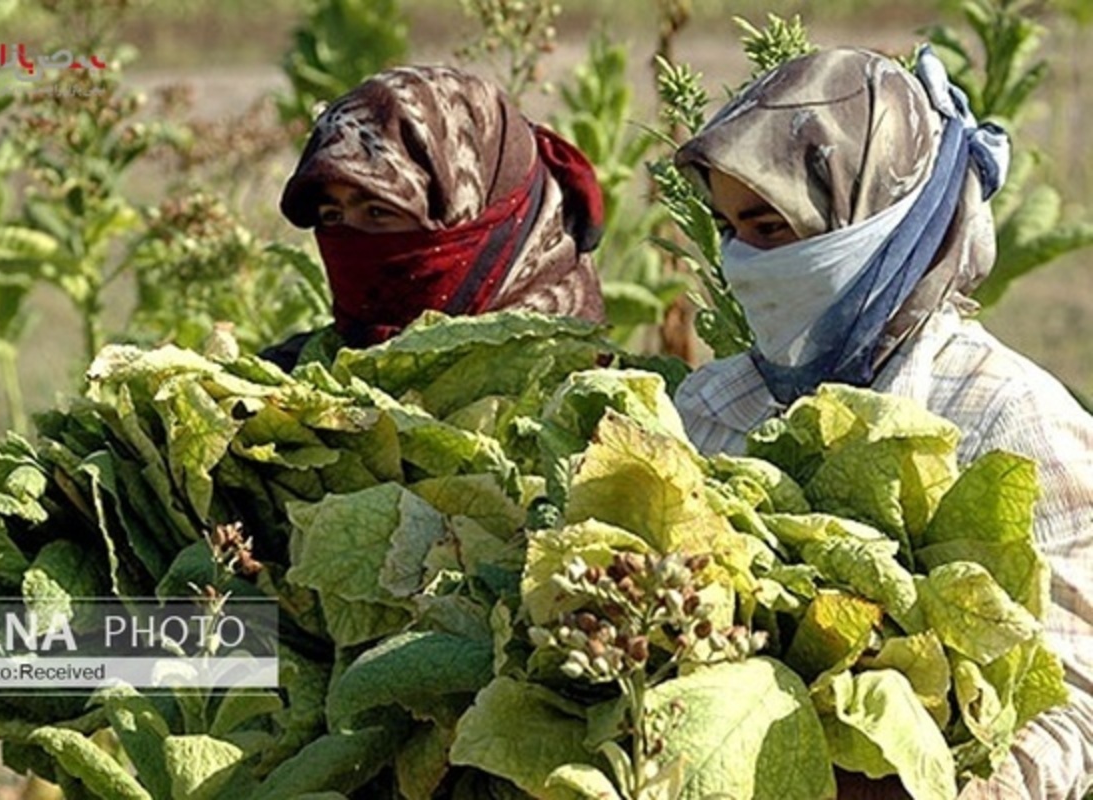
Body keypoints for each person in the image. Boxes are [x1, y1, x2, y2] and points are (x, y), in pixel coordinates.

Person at [672, 46, 1093, 798]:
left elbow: (1076, 709)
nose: (745, 261)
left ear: (876, 221)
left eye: (771, 226)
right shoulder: (711, 408)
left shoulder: (1010, 418)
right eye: (730, 228)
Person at [260, 64, 606, 370]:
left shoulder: (584, 399)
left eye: (378, 211)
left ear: (479, 219)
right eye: (332, 215)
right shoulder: (293, 386)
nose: (355, 240)